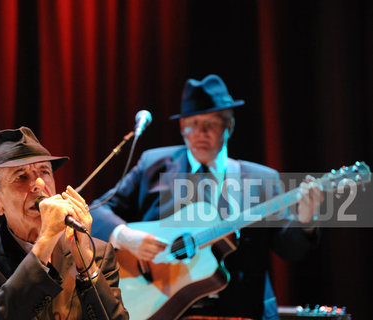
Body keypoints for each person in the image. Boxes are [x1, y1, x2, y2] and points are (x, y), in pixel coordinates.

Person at [90, 74, 323, 320]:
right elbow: (96, 210)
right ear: (182, 129)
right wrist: (127, 237)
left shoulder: (262, 179)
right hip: (162, 308)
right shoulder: (154, 165)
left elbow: (291, 250)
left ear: (229, 126)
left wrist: (306, 220)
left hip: (243, 309)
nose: (201, 132)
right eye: (193, 123)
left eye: (211, 123)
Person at [0, 127, 129, 320]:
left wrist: (86, 265)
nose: (39, 184)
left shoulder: (97, 253)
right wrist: (46, 241)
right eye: (21, 176)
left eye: (45, 171)